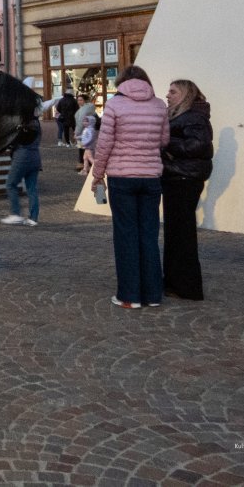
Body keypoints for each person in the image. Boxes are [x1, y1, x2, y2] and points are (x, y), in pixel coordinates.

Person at [89, 66, 170, 310]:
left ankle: (129, 295)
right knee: (148, 235)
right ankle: (153, 294)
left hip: (122, 178)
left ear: (122, 82)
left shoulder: (115, 104)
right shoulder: (158, 105)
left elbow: (104, 143)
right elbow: (164, 140)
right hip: (151, 177)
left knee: (126, 235)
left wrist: (97, 174)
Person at [161, 79, 214, 301]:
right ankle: (175, 283)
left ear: (185, 94)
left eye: (172, 91)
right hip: (177, 176)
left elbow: (197, 146)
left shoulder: (194, 117)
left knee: (182, 235)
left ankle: (187, 286)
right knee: (175, 233)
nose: (167, 95)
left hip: (184, 178)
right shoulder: (184, 116)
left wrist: (165, 141)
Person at [2, 111, 42, 226]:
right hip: (35, 157)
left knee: (11, 184)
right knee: (32, 188)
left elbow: (14, 140)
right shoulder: (37, 123)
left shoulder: (23, 124)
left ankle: (15, 214)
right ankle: (33, 218)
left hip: (22, 157)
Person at [73, 94, 97, 169]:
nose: (79, 102)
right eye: (78, 100)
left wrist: (77, 132)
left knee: (83, 148)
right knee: (86, 149)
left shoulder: (85, 109)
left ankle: (85, 164)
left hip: (84, 131)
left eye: (81, 100)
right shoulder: (87, 108)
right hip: (85, 130)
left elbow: (80, 121)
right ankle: (86, 165)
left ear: (85, 101)